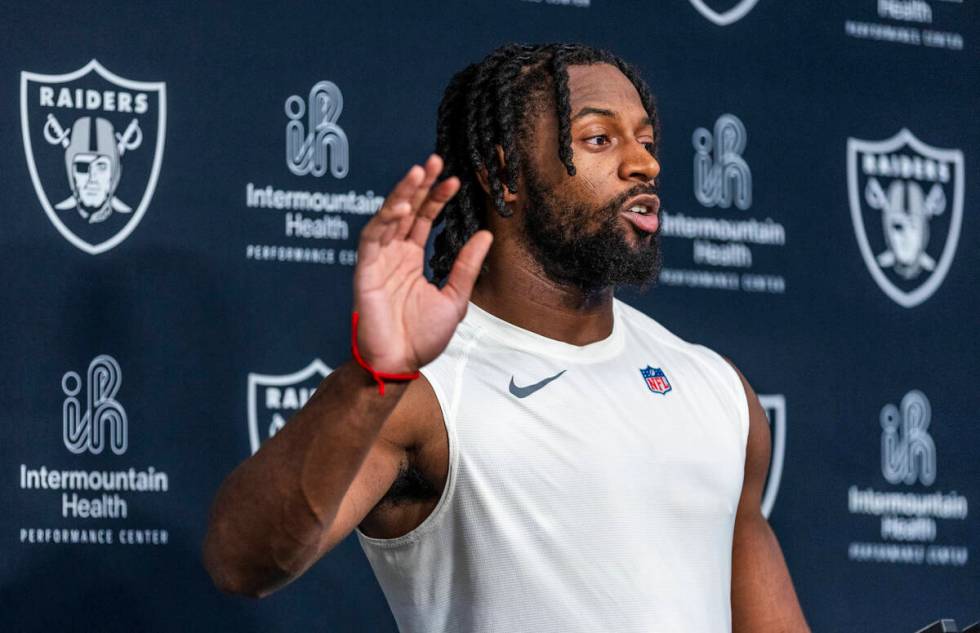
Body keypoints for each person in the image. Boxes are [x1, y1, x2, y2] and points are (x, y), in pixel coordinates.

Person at [204, 42, 811, 632]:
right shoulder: (423, 392)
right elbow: (241, 562)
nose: (645, 164)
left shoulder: (718, 390)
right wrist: (372, 380)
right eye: (599, 139)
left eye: (647, 142)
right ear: (506, 173)